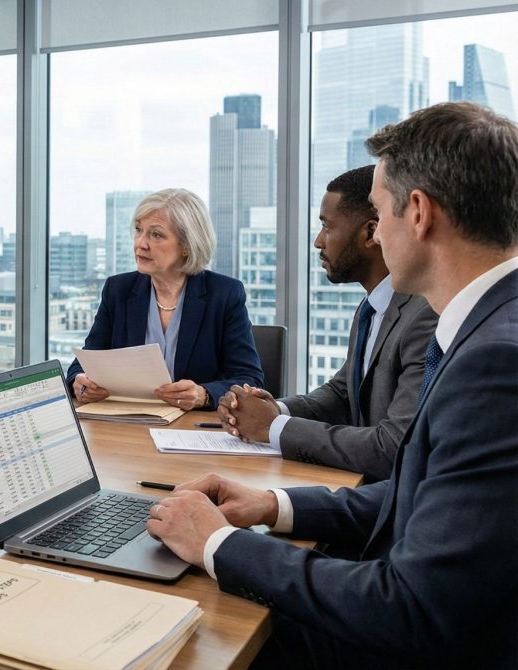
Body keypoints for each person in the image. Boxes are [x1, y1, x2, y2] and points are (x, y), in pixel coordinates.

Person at [146, 102, 518, 668]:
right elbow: (414, 499)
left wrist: (217, 543)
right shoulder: (487, 323)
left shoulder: (495, 361)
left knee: (188, 636)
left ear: (417, 212)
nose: (375, 229)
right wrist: (271, 505)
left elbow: (412, 610)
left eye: (382, 210)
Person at [218, 166, 437, 481]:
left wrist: (272, 427)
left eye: (327, 227)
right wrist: (275, 410)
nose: (319, 242)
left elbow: (394, 446)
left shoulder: (424, 315)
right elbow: (342, 394)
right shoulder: (371, 306)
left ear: (370, 233)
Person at [66, 188, 262, 411]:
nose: (141, 243)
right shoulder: (118, 290)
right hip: (127, 424)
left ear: (187, 246)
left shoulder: (224, 294)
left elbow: (249, 379)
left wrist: (204, 394)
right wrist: (79, 381)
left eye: (156, 234)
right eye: (139, 230)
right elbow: (84, 362)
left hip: (191, 430)